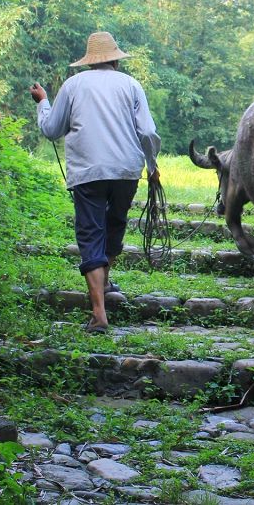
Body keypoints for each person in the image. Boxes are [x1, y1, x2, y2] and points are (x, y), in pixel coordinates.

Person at [30, 31, 161, 333]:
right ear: (115, 58)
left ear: (89, 61)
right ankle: (105, 282)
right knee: (114, 226)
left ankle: (99, 313)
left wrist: (42, 102)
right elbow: (148, 132)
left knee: (91, 233)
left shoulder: (74, 85)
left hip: (88, 173)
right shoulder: (131, 84)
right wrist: (152, 166)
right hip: (126, 170)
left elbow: (51, 130)